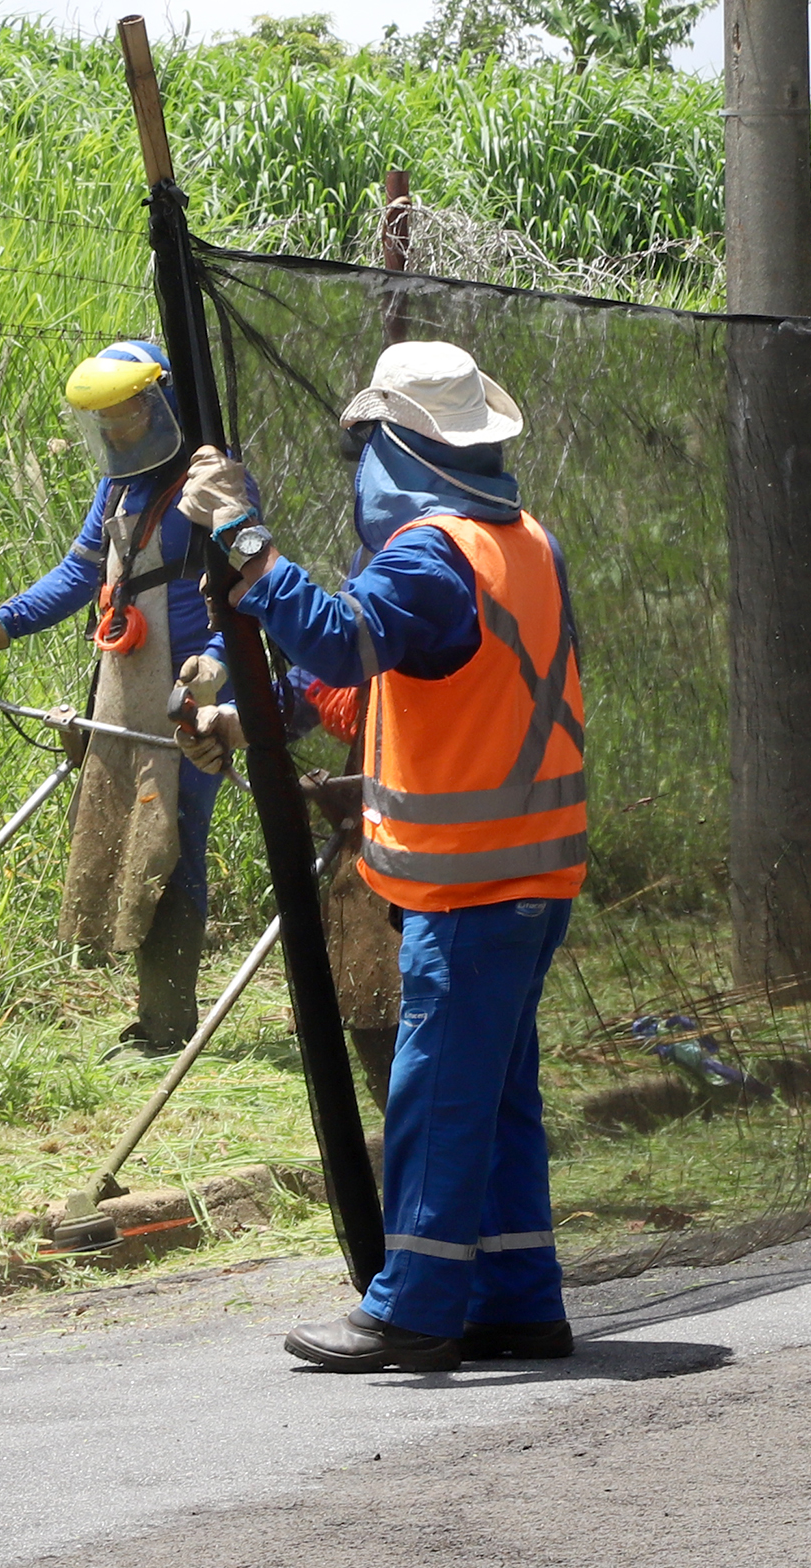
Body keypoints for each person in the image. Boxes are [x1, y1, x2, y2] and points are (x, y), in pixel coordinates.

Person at [175, 339, 587, 1375]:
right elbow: (382, 688)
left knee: (439, 1089)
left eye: (366, 441)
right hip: (531, 869)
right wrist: (241, 708)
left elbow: (334, 636)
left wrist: (241, 532)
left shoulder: (434, 554)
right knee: (493, 1094)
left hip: (475, 879)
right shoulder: (520, 540)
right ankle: (519, 1295)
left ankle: (412, 1304)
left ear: (397, 447)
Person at [0, 339, 225, 1055]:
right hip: (123, 690)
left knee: (175, 847)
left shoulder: (209, 483)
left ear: (160, 403)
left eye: (129, 414)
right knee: (130, 837)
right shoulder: (120, 486)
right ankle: (152, 1015)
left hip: (186, 698)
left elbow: (246, 598)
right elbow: (77, 576)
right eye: (108, 420)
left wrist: (216, 669)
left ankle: (169, 1028)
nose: (121, 431)